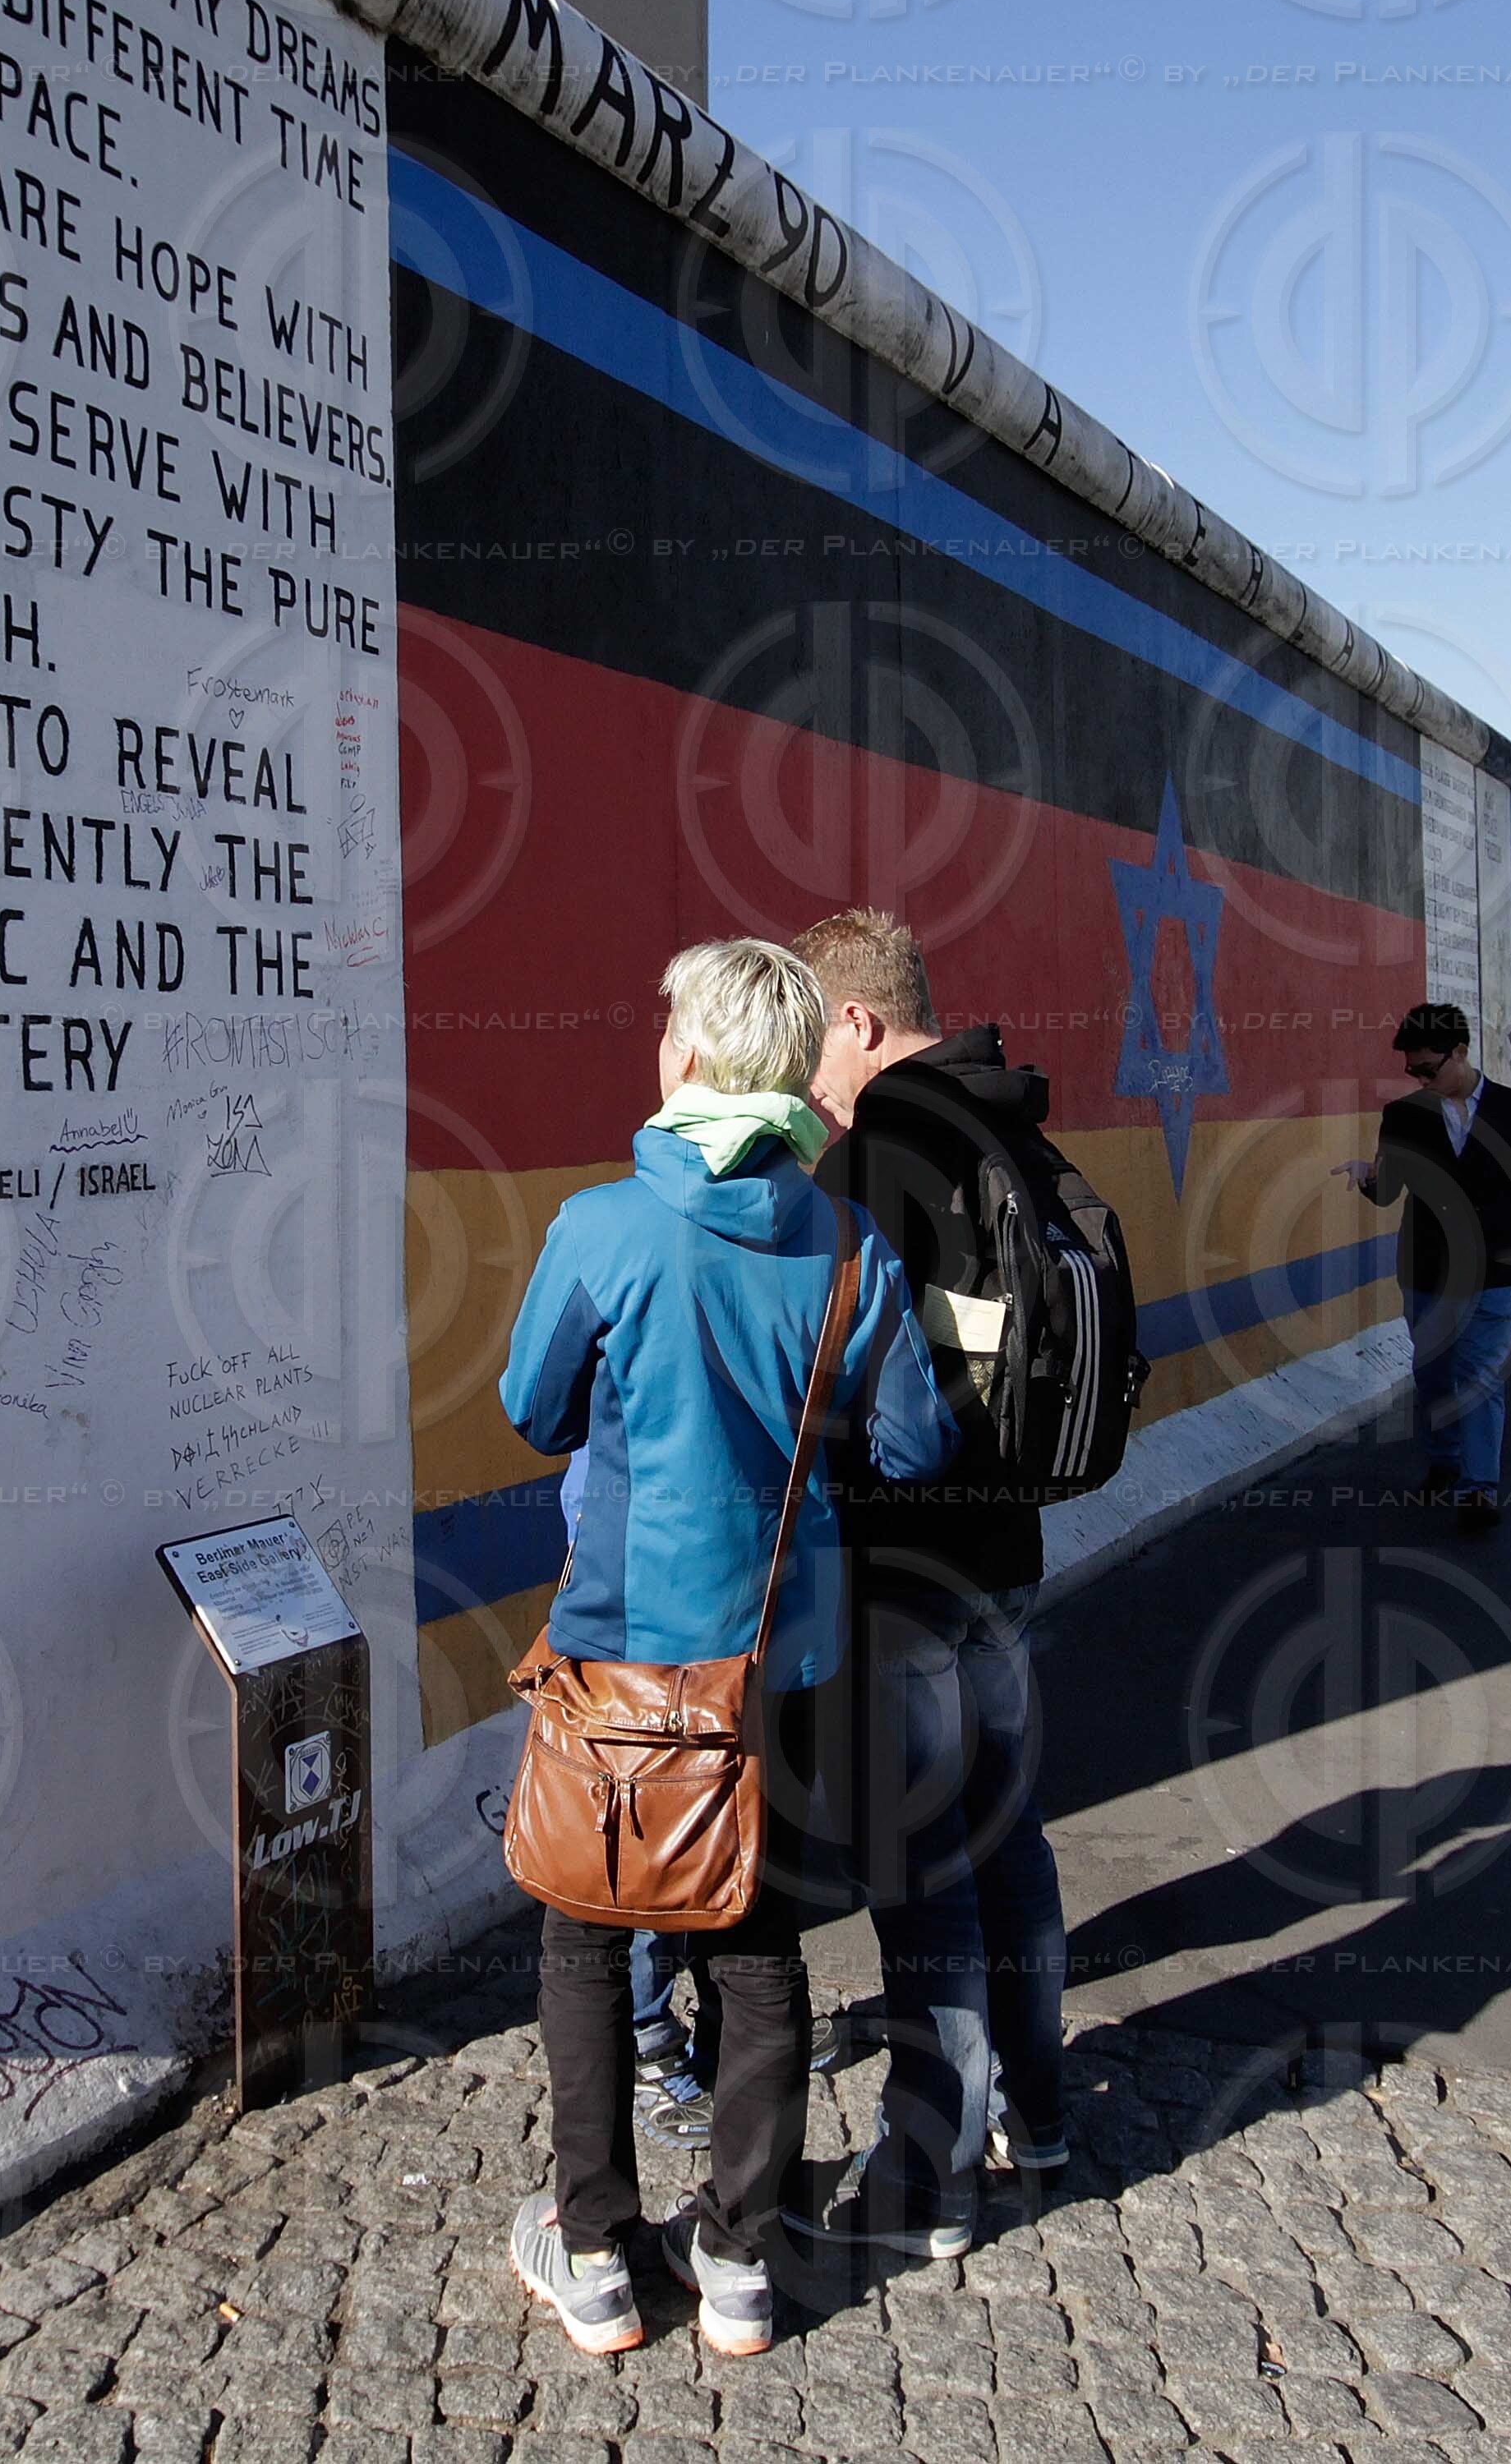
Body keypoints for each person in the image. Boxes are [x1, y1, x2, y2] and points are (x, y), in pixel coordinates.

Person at [496, 937, 952, 2359]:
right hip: (780, 1659)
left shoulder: (597, 1227)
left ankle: (593, 2251)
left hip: (621, 1657)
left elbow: (534, 1406)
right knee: (755, 1948)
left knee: (584, 1939)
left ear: (691, 1056)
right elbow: (915, 1442)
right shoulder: (851, 1242)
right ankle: (743, 2260)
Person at [783, 908, 1076, 2264]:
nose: (809, 1080)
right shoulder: (1012, 1120)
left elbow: (876, 1384)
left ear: (856, 1017)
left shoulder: (888, 1148)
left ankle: (934, 2175)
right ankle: (1042, 2108)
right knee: (1008, 1835)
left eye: (813, 1039)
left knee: (925, 1874)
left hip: (910, 1563)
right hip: (1010, 1549)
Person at [1337, 1002, 1511, 1536]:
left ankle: (1480, 1488)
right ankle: (1445, 1459)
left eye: (1428, 1069)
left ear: (1461, 1052)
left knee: (1480, 1375)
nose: (1419, 1079)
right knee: (1433, 1375)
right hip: (1428, 1268)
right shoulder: (1405, 1116)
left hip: (1496, 1269)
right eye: (1412, 1071)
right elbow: (1388, 1194)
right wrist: (1368, 1177)